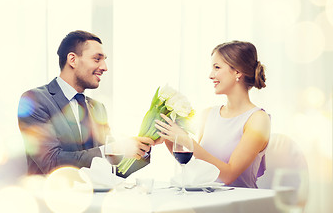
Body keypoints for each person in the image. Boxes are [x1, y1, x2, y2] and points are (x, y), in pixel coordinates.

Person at [18, 30, 154, 177]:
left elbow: (115, 167)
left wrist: (142, 147)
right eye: (97, 59)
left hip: (96, 198)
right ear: (72, 60)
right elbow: (51, 162)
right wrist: (113, 148)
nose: (105, 67)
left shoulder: (98, 108)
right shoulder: (35, 100)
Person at [155, 40, 270, 188]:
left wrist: (187, 141)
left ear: (237, 71)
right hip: (207, 200)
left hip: (238, 205)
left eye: (217, 67)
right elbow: (198, 169)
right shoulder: (208, 114)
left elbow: (229, 175)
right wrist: (170, 138)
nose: (210, 75)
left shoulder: (258, 119)